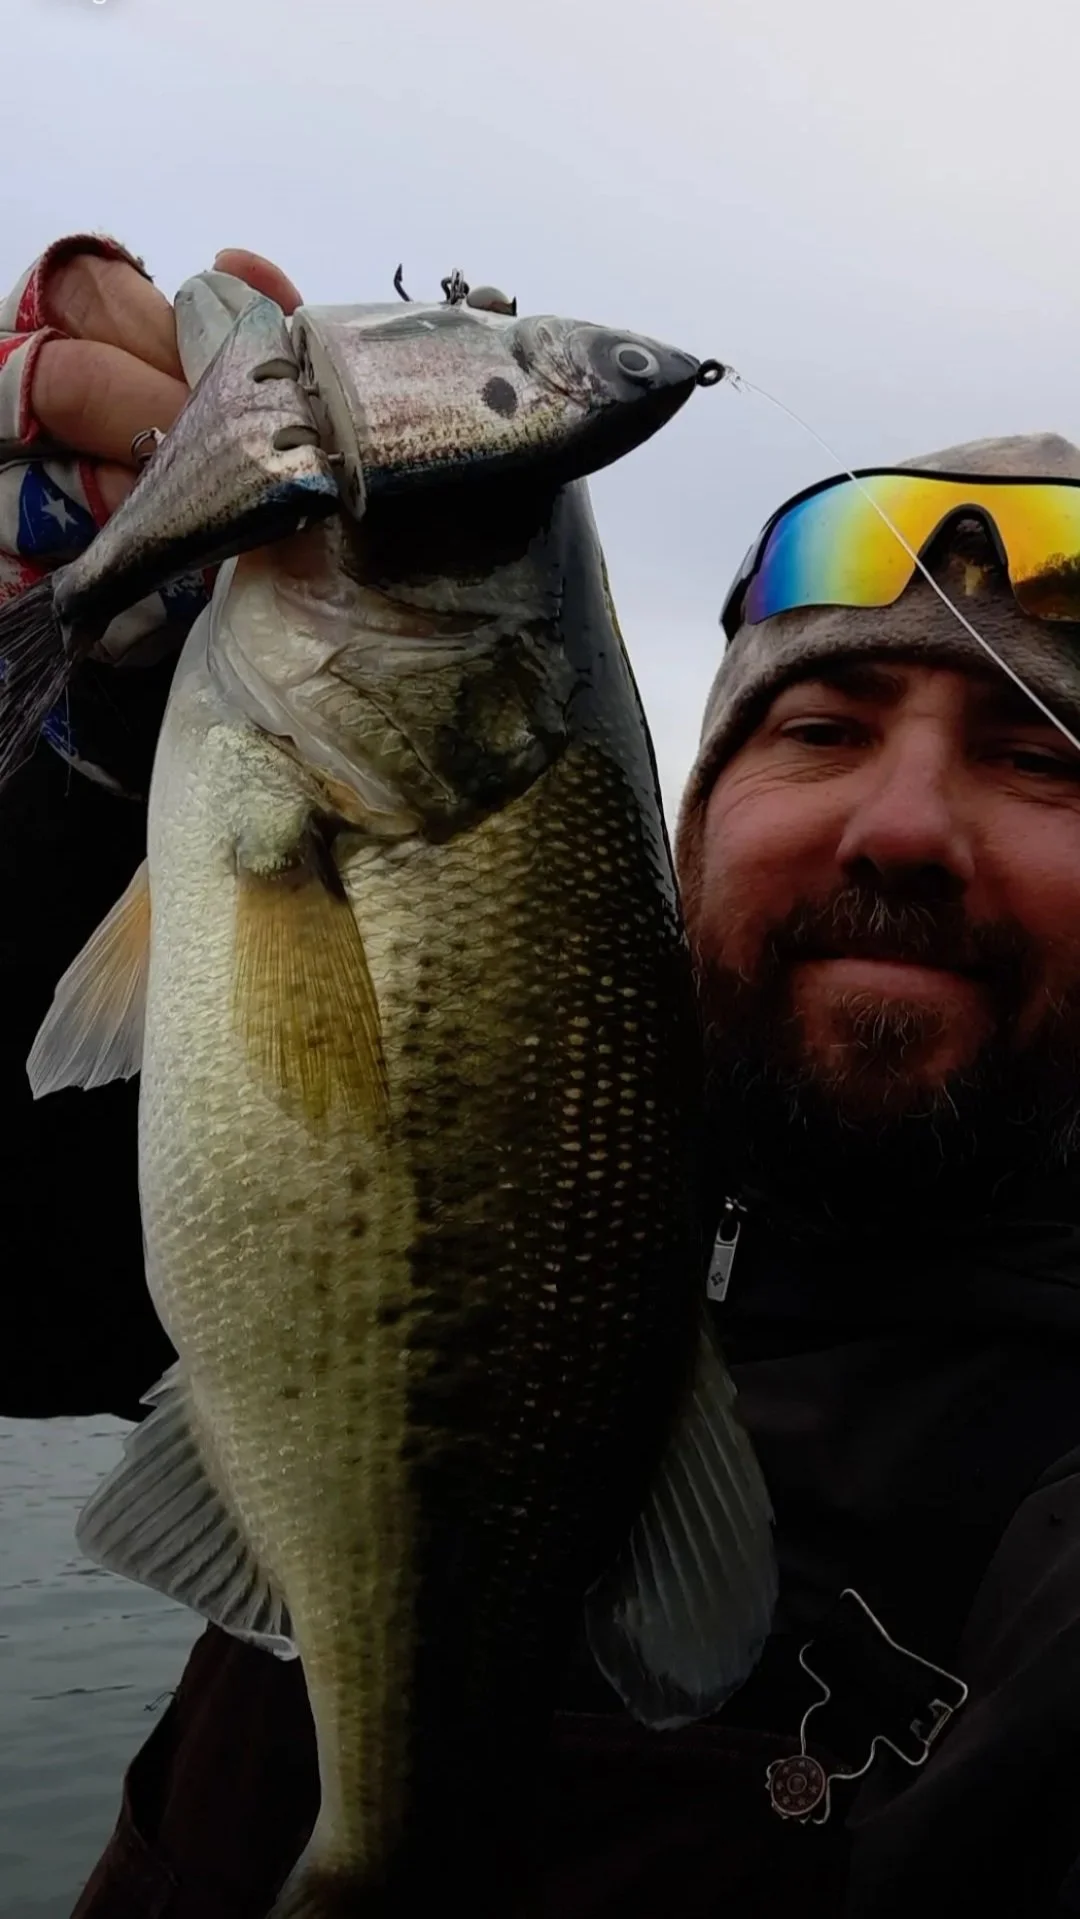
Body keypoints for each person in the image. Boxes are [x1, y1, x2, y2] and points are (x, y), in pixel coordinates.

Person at [6, 234, 1080, 1919]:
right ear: (685, 831)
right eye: (819, 728)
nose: (900, 826)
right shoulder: (560, 1073)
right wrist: (50, 721)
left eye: (1036, 760)